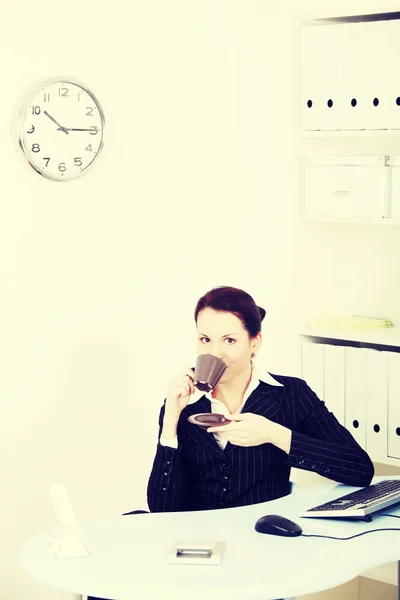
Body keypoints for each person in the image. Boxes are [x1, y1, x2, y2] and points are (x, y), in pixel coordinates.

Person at [147, 285, 374, 513]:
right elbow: (161, 511)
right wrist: (170, 422)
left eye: (229, 340)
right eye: (205, 339)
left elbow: (360, 469)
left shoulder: (291, 393)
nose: (214, 353)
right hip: (199, 538)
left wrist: (275, 435)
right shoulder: (183, 404)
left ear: (254, 342)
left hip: (265, 532)